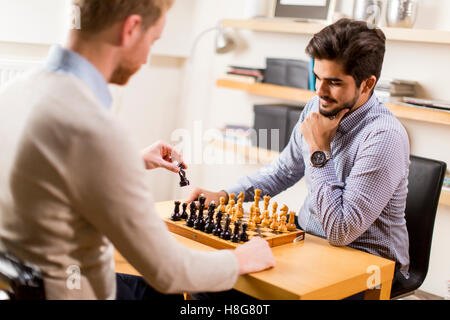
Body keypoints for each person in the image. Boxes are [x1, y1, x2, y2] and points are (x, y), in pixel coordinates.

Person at [0, 0, 275, 300]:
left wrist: (129, 162)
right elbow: (169, 271)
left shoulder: (12, 93)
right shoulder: (94, 129)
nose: (147, 57)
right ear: (130, 29)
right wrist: (240, 259)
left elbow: (38, 172)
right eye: (153, 40)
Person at [188, 18, 410, 298]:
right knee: (210, 282)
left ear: (367, 85)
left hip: (366, 265)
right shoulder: (315, 107)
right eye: (317, 77)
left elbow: (340, 231)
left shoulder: (384, 137)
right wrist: (223, 195)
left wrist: (319, 150)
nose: (320, 91)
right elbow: (281, 172)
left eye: (334, 82)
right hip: (310, 242)